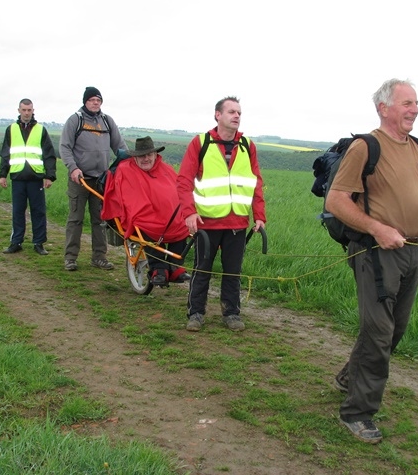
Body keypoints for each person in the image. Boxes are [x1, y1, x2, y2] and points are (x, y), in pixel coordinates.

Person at [325, 78, 418, 444]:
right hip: (377, 254)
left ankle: (350, 377)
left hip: (413, 250)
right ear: (384, 108)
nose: (415, 109)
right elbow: (337, 200)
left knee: (395, 330)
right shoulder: (366, 146)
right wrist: (377, 229)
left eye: (416, 102)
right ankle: (357, 412)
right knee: (378, 333)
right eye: (407, 103)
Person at [177, 96, 266, 332]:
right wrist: (189, 213)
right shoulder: (201, 143)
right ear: (218, 115)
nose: (237, 116)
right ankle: (196, 313)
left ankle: (231, 313)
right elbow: (184, 181)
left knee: (233, 271)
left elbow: (256, 182)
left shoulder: (247, 145)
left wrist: (259, 216)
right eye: (231, 112)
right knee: (202, 270)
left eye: (239, 113)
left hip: (237, 221)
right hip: (206, 222)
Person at [101, 136, 191, 286]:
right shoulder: (126, 170)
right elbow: (133, 202)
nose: (146, 159)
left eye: (149, 155)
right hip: (142, 216)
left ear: (156, 155)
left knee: (183, 225)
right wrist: (156, 218)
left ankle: (175, 267)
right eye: (142, 156)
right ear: (135, 157)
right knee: (149, 225)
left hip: (168, 216)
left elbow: (179, 192)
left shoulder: (166, 169)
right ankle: (159, 270)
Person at [59, 86, 128, 271]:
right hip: (79, 179)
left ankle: (99, 257)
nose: (95, 103)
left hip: (101, 180)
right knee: (76, 219)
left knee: (100, 220)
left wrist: (129, 163)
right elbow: (65, 147)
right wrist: (73, 168)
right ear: (85, 102)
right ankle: (70, 257)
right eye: (92, 100)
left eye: (98, 100)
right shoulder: (75, 120)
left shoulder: (107, 121)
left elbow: (119, 146)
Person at [0, 99, 57, 255]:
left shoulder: (40, 130)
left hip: (35, 177)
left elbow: (49, 154)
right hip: (17, 176)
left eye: (29, 110)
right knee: (18, 211)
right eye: (24, 110)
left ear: (33, 110)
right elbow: (5, 153)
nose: (26, 113)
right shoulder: (11, 129)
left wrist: (49, 176)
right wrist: (2, 175)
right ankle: (16, 241)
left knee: (38, 211)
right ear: (19, 110)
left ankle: (39, 243)